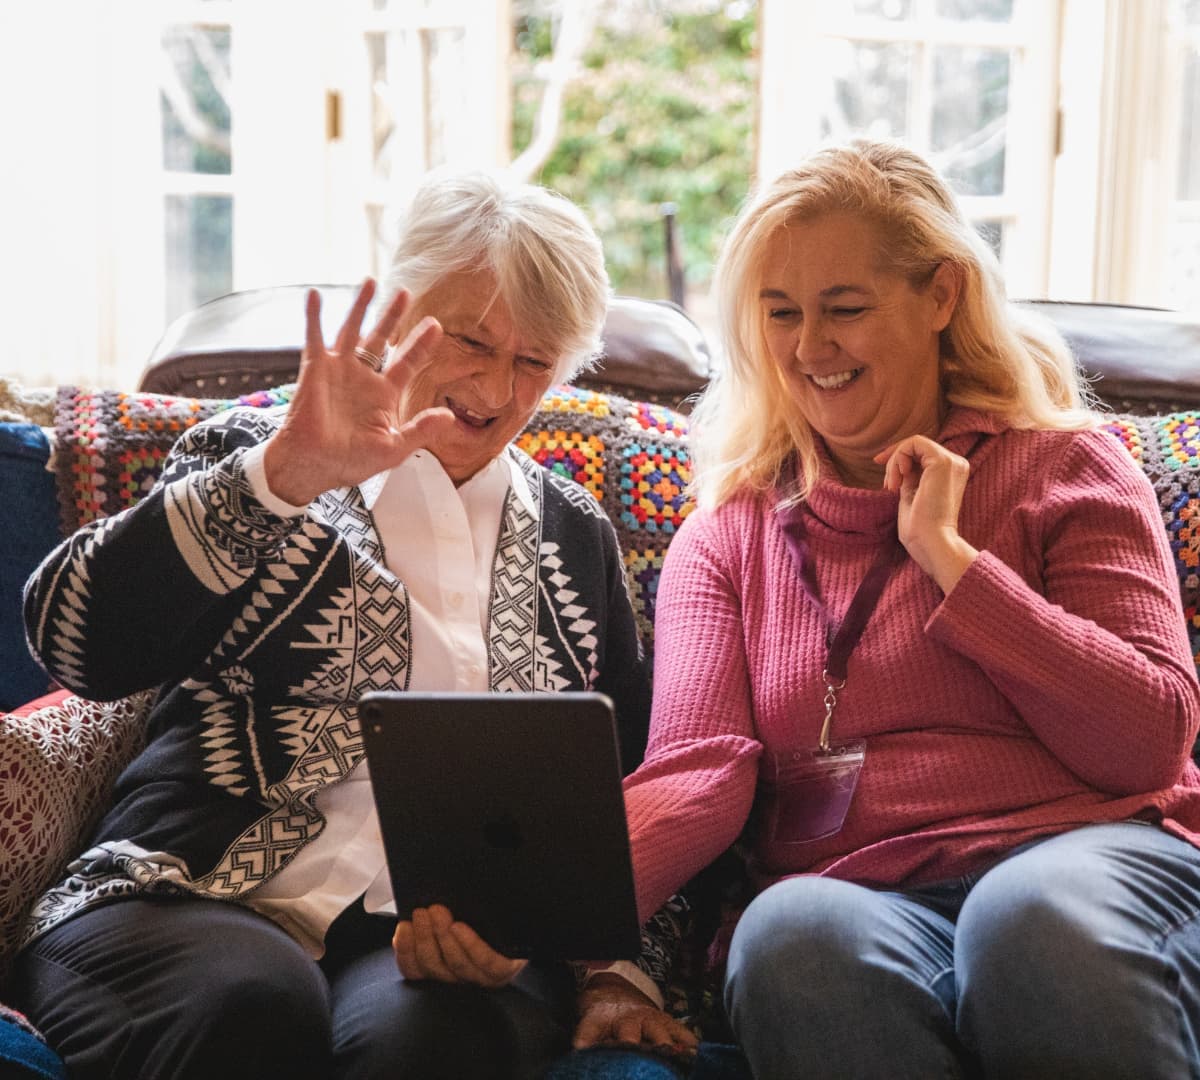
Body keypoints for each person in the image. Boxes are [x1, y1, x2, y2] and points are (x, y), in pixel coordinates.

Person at [569, 138, 1200, 1079]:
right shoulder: (732, 530)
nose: (809, 349)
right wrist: (531, 917)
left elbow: (1150, 737)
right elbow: (696, 774)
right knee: (788, 932)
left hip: (1090, 859)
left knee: (1024, 915)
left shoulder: (1068, 467)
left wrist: (955, 563)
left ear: (941, 295)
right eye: (779, 314)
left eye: (845, 310)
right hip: (857, 893)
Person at [13, 169, 656, 1080]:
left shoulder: (577, 536)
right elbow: (71, 639)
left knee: (430, 1041)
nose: (495, 387)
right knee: (255, 1001)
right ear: (396, 309)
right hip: (190, 891)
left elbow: (623, 778)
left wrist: (548, 936)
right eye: (471, 339)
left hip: (435, 942)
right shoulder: (256, 453)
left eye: (535, 360)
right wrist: (276, 479)